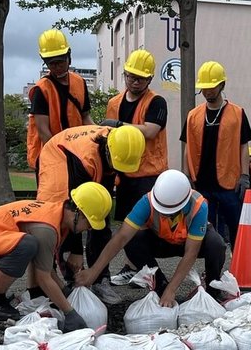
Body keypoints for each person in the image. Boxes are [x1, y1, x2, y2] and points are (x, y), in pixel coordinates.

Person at [0, 182, 113, 331]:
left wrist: (64, 291)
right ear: (78, 213)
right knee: (27, 244)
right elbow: (43, 277)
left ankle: (32, 293)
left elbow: (43, 263)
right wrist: (70, 313)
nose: (88, 229)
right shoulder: (47, 229)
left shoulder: (57, 215)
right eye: (89, 223)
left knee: (31, 245)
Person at [75, 170, 227, 308]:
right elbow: (121, 237)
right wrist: (94, 271)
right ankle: (160, 286)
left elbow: (191, 253)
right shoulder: (147, 202)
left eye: (169, 212)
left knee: (216, 245)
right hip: (161, 242)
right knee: (133, 241)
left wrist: (173, 289)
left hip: (190, 243)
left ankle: (213, 291)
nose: (164, 214)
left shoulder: (198, 205)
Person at [36, 124, 146, 303]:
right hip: (59, 156)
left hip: (91, 159)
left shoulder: (124, 144)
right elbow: (75, 210)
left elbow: (99, 211)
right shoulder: (84, 159)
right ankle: (68, 281)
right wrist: (76, 250)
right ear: (108, 151)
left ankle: (100, 279)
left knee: (100, 214)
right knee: (60, 216)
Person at [104, 50, 169, 286]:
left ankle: (147, 271)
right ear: (125, 74)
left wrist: (120, 125)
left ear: (149, 79)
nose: (135, 81)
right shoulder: (114, 103)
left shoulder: (156, 102)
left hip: (149, 174)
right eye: (131, 76)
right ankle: (133, 267)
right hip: (124, 174)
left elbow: (151, 130)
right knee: (126, 223)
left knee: (143, 224)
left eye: (140, 78)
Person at [181, 61, 251, 249]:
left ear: (222, 85)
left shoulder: (237, 113)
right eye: (204, 88)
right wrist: (186, 176)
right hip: (202, 185)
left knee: (237, 228)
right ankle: (212, 272)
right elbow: (187, 146)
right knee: (209, 234)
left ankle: (240, 269)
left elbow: (243, 146)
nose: (207, 92)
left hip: (230, 185)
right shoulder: (193, 116)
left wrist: (244, 176)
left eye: (211, 87)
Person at [26, 29, 93, 175]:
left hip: (77, 152)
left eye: (61, 61)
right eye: (52, 63)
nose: (57, 67)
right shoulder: (41, 89)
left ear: (69, 56)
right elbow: (44, 131)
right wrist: (62, 157)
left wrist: (98, 135)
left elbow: (85, 117)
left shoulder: (80, 82)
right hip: (49, 158)